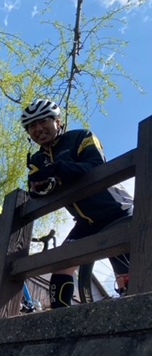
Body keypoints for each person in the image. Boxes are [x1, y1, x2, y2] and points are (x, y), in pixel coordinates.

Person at [22, 98, 133, 307]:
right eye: (31, 126)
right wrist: (41, 187)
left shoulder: (82, 137)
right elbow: (38, 189)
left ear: (57, 121)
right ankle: (60, 321)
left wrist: (59, 169)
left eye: (43, 121)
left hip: (116, 210)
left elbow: (95, 166)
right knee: (62, 264)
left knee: (127, 277)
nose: (38, 129)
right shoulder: (37, 160)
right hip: (85, 222)